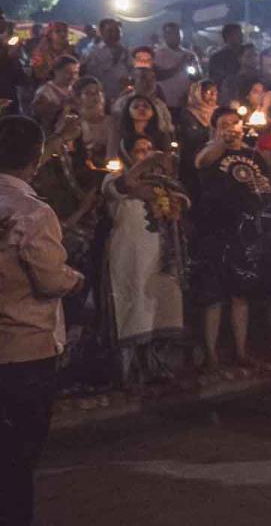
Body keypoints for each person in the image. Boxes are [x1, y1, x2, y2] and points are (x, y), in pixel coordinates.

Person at [0, 116, 86, 526]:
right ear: (35, 159)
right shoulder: (32, 213)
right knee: (17, 461)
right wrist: (75, 279)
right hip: (23, 348)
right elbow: (49, 278)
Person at [191, 107, 271, 369]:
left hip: (245, 231)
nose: (230, 127)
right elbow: (202, 162)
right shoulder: (210, 151)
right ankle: (212, 355)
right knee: (214, 295)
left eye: (234, 123)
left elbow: (265, 183)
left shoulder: (251, 155)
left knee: (241, 294)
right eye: (223, 124)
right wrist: (222, 141)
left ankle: (241, 350)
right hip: (215, 230)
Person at [102, 136, 188, 388]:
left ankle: (157, 367)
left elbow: (182, 201)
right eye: (139, 151)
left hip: (162, 257)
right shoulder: (111, 179)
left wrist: (160, 184)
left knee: (162, 311)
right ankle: (129, 374)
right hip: (129, 259)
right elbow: (126, 185)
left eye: (150, 149)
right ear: (127, 156)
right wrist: (146, 167)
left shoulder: (167, 183)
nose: (147, 154)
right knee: (132, 308)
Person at [81, 19, 132, 104]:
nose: (114, 34)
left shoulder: (126, 51)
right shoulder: (92, 52)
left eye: (117, 30)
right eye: (110, 31)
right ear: (101, 32)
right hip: (100, 99)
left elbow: (133, 70)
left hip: (123, 98)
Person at [150, 22, 199, 110]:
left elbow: (197, 77)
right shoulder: (157, 54)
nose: (175, 36)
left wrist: (189, 94)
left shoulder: (190, 55)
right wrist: (180, 66)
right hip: (165, 102)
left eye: (177, 33)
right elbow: (156, 76)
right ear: (165, 36)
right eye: (170, 33)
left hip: (187, 102)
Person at [29, 55, 78, 125]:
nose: (73, 76)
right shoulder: (45, 92)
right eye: (68, 72)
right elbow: (38, 116)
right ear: (56, 71)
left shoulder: (75, 88)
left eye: (75, 73)